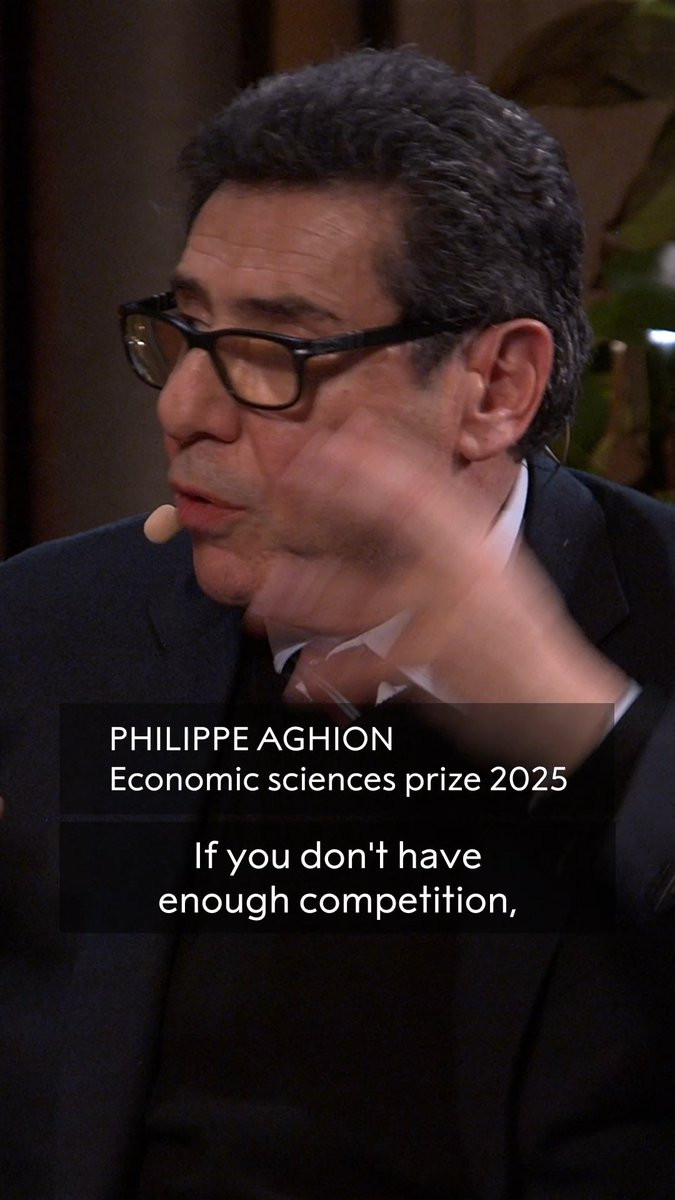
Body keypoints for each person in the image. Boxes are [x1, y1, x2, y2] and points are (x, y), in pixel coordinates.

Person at [1, 46, 674, 1199]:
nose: (185, 408)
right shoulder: (53, 631)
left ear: (495, 387)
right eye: (187, 332)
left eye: (273, 352)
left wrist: (577, 721)